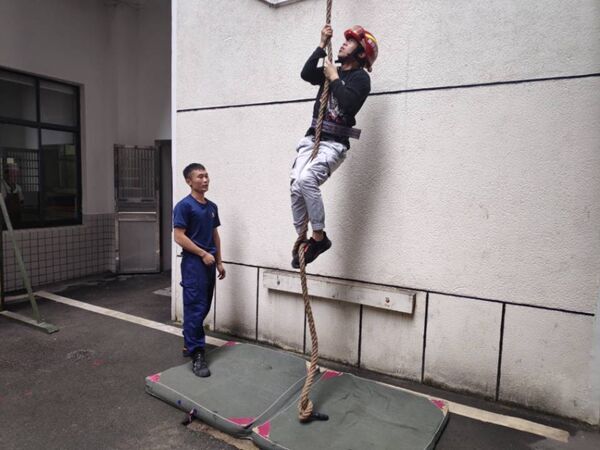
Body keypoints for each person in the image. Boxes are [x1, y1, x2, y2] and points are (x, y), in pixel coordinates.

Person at [290, 24, 378, 268]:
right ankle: (303, 239)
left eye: (350, 43)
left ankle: (319, 238)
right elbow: (306, 74)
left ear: (361, 53)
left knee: (307, 179)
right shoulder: (332, 70)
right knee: (296, 185)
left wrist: (334, 78)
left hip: (334, 143)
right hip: (312, 139)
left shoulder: (361, 79)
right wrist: (321, 44)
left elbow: (348, 104)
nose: (343, 43)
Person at [173, 163, 226, 377]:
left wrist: (219, 261)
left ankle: (190, 341)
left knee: (203, 306)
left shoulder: (212, 207)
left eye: (206, 176)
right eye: (200, 177)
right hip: (194, 264)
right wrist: (202, 253)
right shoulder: (184, 206)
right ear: (189, 181)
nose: (205, 180)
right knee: (195, 307)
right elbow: (179, 236)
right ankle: (196, 353)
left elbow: (215, 235)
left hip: (210, 263)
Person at [1, 161, 24, 228]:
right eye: (12, 174)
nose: (14, 176)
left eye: (15, 174)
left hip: (16, 217)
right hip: (4, 217)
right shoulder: (2, 185)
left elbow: (21, 201)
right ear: (6, 175)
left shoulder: (18, 187)